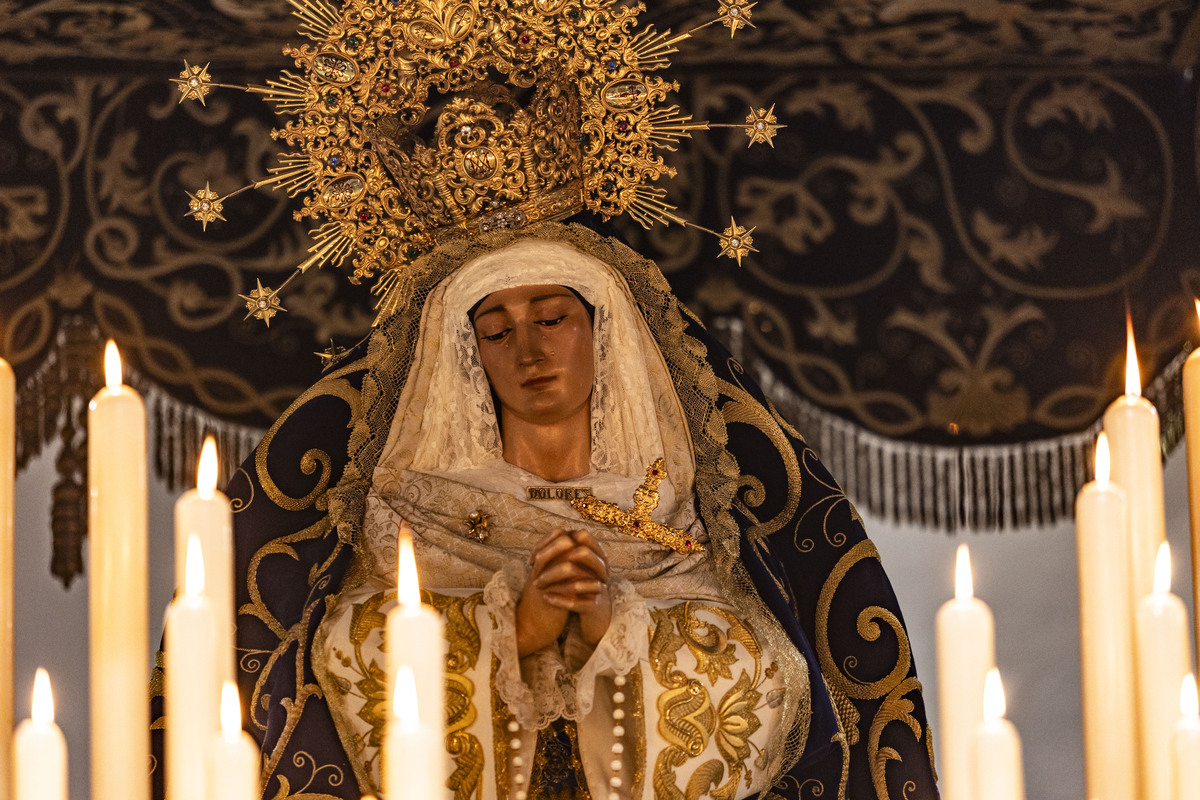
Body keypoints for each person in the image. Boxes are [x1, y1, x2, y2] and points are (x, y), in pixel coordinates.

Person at [151, 222, 940, 800]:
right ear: (467, 357)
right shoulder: (423, 508)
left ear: (607, 333)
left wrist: (614, 625)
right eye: (496, 332)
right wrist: (509, 631)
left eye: (553, 319)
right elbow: (352, 648)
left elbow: (767, 672)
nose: (527, 352)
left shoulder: (675, 509)